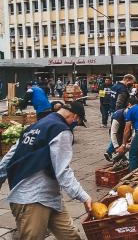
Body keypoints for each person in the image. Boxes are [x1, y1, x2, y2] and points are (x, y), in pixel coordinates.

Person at [0, 101, 91, 239]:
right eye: (77, 122)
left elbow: (9, 157)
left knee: (71, 236)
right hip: (32, 200)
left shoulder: (34, 126)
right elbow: (63, 171)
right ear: (75, 116)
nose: (75, 125)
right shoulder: (61, 130)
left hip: (50, 198)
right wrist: (83, 196)